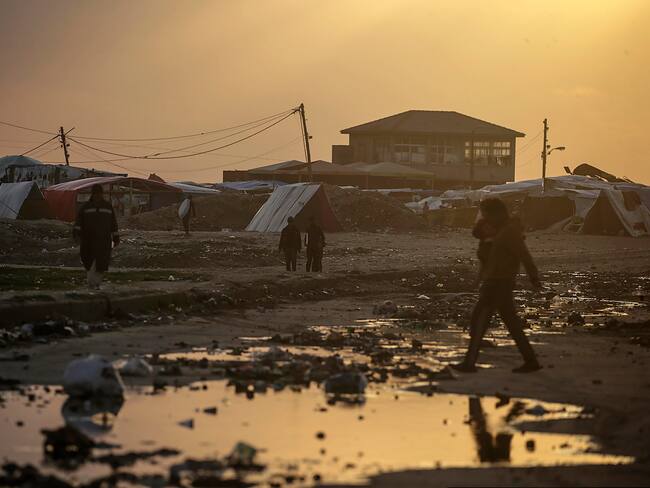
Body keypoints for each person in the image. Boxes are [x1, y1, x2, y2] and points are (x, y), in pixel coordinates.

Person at [452, 197, 542, 374]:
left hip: (498, 285)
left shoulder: (509, 232)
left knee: (480, 324)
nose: (484, 217)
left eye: (486, 213)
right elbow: (489, 260)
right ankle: (531, 361)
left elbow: (525, 256)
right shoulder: (499, 232)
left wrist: (534, 278)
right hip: (497, 283)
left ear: (497, 213)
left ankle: (469, 363)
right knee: (512, 325)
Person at [73, 184, 120, 289]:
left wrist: (116, 237)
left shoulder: (108, 207)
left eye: (99, 194)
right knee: (88, 260)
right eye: (96, 194)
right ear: (93, 194)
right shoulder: (85, 207)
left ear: (102, 194)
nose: (98, 196)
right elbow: (79, 222)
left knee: (102, 262)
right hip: (88, 240)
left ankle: (96, 284)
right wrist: (76, 234)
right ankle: (91, 283)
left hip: (103, 241)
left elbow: (113, 223)